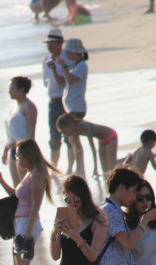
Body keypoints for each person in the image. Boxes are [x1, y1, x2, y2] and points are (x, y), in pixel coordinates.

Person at [0, 139, 55, 265]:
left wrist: (27, 231)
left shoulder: (37, 176)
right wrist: (0, 180)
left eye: (19, 155)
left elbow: (36, 205)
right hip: (21, 223)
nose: (17, 158)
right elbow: (17, 195)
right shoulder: (29, 174)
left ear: (28, 156)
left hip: (28, 223)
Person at [49, 176, 107, 265]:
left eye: (77, 199)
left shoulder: (97, 219)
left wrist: (77, 238)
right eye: (68, 200)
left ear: (84, 197)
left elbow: (92, 256)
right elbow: (55, 256)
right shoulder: (63, 217)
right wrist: (54, 234)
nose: (73, 204)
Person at [56, 113, 118, 180]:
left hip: (111, 136)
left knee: (112, 167)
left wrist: (95, 168)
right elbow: (77, 151)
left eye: (64, 131)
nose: (64, 135)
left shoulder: (84, 126)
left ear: (71, 126)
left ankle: (127, 160)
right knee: (105, 170)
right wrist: (78, 170)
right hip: (102, 140)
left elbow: (93, 149)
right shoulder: (73, 133)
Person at [59, 39, 89, 176]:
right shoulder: (75, 65)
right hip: (72, 107)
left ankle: (80, 168)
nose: (67, 54)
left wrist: (64, 67)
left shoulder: (81, 65)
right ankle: (78, 167)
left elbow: (70, 79)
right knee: (73, 140)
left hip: (77, 107)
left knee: (75, 140)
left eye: (69, 51)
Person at [3, 77, 38, 186]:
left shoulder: (29, 106)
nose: (9, 91)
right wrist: (5, 150)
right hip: (13, 151)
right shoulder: (13, 106)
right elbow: (11, 132)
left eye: (12, 88)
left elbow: (31, 132)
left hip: (24, 152)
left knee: (26, 188)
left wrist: (28, 154)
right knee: (17, 189)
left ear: (22, 89)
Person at [43, 29, 68, 168]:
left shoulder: (65, 59)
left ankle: (71, 167)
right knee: (54, 136)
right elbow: (46, 82)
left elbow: (62, 82)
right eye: (48, 43)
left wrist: (54, 69)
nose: (50, 46)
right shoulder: (46, 60)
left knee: (69, 135)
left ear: (60, 44)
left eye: (52, 43)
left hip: (64, 100)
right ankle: (54, 167)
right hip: (52, 101)